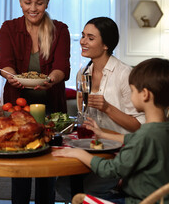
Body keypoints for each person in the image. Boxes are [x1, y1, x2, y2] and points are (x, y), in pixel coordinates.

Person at [53, 57, 169, 204]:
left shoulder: (144, 136)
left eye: (132, 90)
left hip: (137, 201)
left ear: (145, 94)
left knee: (78, 194)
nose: (131, 95)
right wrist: (102, 134)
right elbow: (132, 139)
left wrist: (79, 153)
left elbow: (110, 169)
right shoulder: (160, 130)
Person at [0, 0, 70, 204]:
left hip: (51, 109)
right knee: (21, 169)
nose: (33, 8)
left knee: (46, 170)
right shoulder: (9, 28)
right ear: (20, 2)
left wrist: (50, 79)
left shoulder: (60, 29)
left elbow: (61, 68)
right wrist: (13, 77)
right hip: (17, 110)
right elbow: (5, 63)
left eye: (39, 3)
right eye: (28, 2)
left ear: (47, 3)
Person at [57, 17, 146, 201]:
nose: (82, 41)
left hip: (120, 154)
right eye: (83, 36)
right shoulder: (83, 73)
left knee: (83, 190)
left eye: (90, 38)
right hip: (94, 148)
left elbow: (139, 127)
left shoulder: (124, 74)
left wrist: (107, 108)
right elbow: (84, 117)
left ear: (106, 44)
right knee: (62, 185)